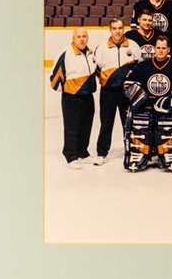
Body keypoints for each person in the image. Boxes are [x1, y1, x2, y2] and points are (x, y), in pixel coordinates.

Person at [123, 36, 172, 172]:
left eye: (164, 48)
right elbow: (128, 84)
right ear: (154, 49)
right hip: (147, 107)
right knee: (139, 123)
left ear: (168, 49)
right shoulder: (143, 66)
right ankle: (139, 152)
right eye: (158, 48)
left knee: (168, 126)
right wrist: (142, 98)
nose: (161, 51)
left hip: (168, 109)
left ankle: (169, 152)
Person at [93, 19, 142, 165]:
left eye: (120, 28)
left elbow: (139, 66)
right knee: (106, 122)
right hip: (108, 92)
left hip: (127, 92)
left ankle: (132, 149)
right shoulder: (101, 48)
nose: (117, 31)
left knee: (128, 122)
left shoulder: (133, 46)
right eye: (114, 28)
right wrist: (109, 80)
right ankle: (102, 153)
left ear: (124, 29)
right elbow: (97, 68)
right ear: (110, 30)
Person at [50, 27, 97, 169]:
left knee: (86, 125)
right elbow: (55, 78)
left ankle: (83, 152)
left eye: (84, 36)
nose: (82, 39)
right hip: (72, 97)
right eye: (79, 36)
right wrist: (68, 90)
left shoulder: (90, 53)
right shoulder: (65, 53)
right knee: (72, 127)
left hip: (88, 95)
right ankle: (71, 155)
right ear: (73, 38)